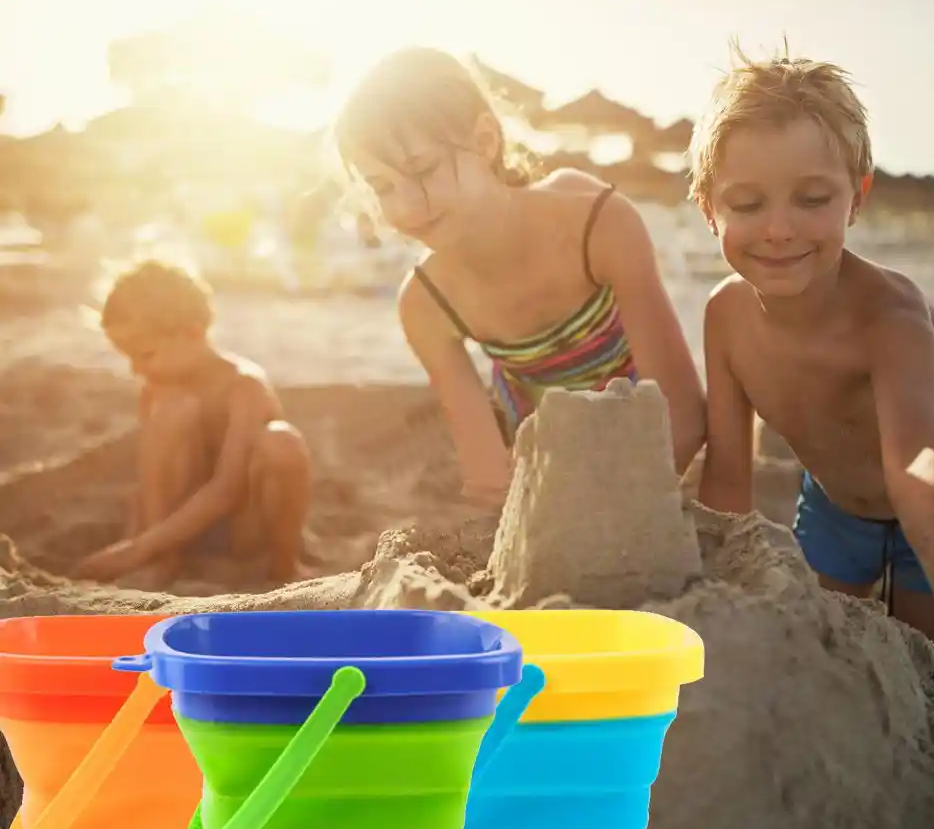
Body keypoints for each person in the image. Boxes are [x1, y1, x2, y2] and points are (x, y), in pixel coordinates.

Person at [692, 45, 934, 644]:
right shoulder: (725, 316)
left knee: (931, 653)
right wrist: (715, 593)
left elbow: (920, 459)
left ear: (857, 197)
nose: (779, 229)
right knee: (821, 643)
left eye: (812, 200)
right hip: (836, 506)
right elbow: (728, 471)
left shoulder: (891, 315)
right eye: (748, 204)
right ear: (708, 208)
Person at [332, 46, 706, 506]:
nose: (407, 206)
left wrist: (619, 508)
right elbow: (487, 473)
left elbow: (684, 416)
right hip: (542, 446)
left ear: (485, 141)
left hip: (644, 432)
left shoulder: (593, 224)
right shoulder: (426, 303)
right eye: (383, 187)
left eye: (423, 170)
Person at [73, 260, 312, 589]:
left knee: (282, 443)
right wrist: (140, 541)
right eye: (128, 357)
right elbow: (151, 479)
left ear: (193, 333)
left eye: (146, 355)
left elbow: (227, 488)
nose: (136, 370)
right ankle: (165, 561)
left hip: (243, 531)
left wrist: (138, 549)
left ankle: (284, 567)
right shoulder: (160, 390)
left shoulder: (244, 386)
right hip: (178, 534)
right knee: (172, 409)